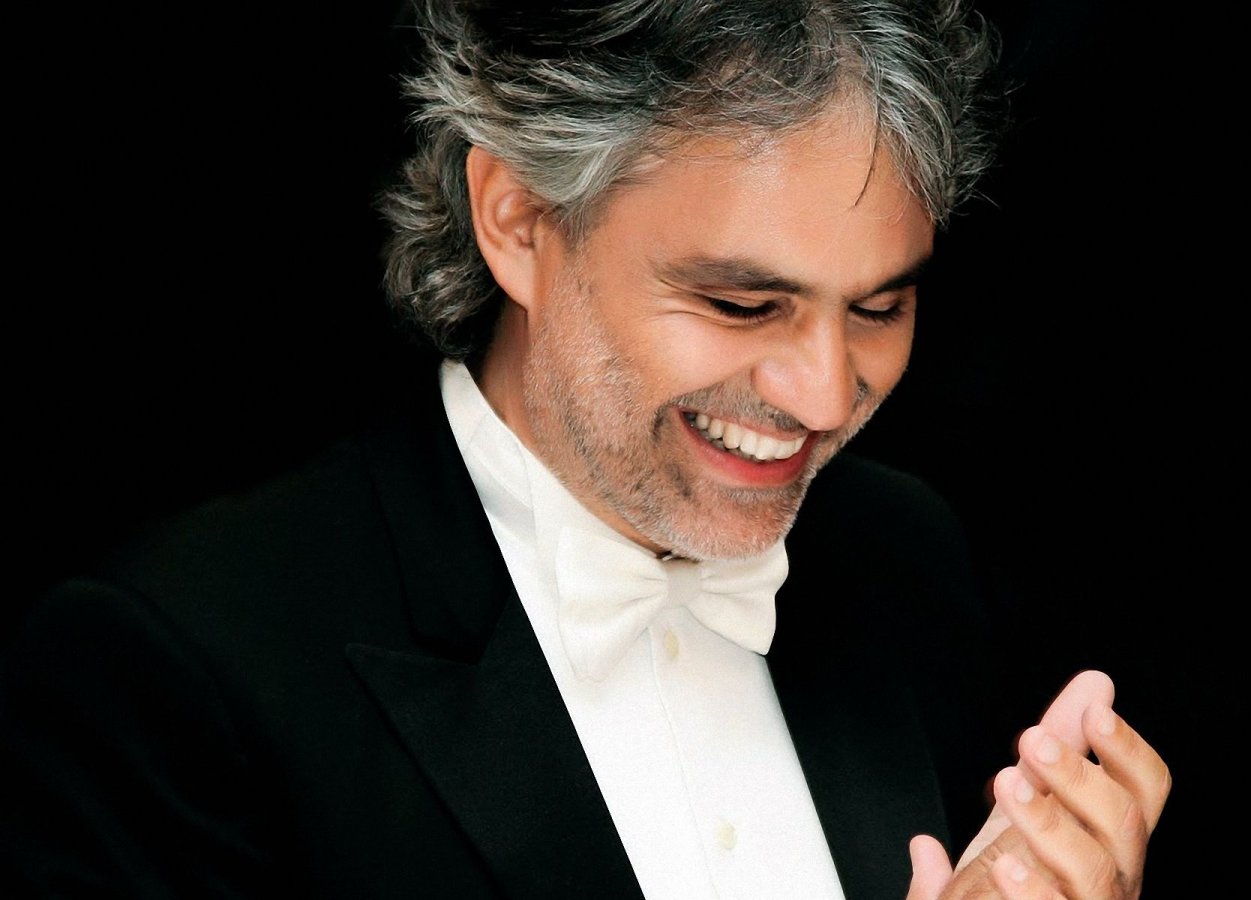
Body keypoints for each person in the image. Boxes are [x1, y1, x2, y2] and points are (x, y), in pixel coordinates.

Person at [0, 1, 1170, 897]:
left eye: (878, 307)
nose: (822, 395)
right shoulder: (174, 674)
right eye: (741, 305)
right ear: (518, 221)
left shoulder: (908, 559)